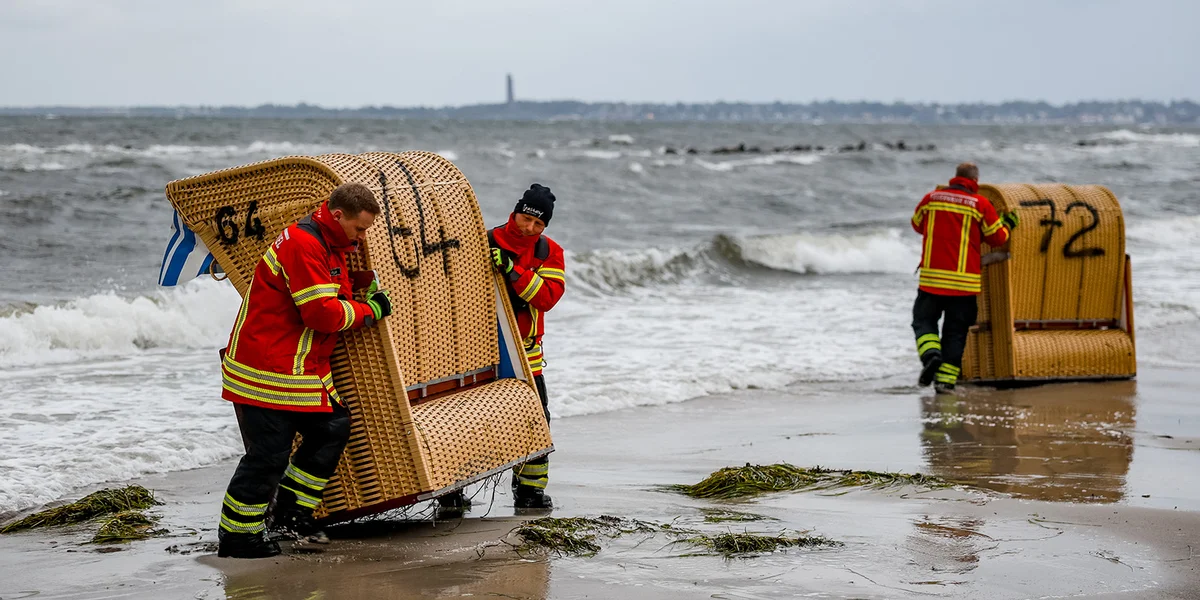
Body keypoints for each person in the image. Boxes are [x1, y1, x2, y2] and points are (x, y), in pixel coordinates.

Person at [216, 183, 393, 558]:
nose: (362, 238)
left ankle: (291, 514)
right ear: (337, 215)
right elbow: (322, 313)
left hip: (298, 367)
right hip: (266, 368)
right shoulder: (303, 243)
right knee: (268, 455)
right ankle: (237, 537)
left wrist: (363, 286)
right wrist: (371, 311)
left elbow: (332, 292)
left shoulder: (329, 243)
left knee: (332, 428)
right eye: (359, 229)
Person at [440, 183, 565, 512]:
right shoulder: (483, 241)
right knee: (462, 422)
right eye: (526, 219)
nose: (530, 228)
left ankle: (530, 493)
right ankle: (450, 494)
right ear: (515, 212)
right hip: (474, 352)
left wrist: (513, 271)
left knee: (536, 420)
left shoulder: (549, 252)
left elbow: (548, 298)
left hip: (526, 355)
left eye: (539, 224)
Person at [910, 163, 1018, 394]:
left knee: (923, 322)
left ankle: (931, 356)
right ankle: (946, 382)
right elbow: (997, 238)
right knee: (955, 332)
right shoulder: (980, 205)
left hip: (932, 280)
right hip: (964, 284)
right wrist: (1009, 224)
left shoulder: (932, 198)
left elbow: (917, 224)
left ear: (954, 178)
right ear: (975, 181)